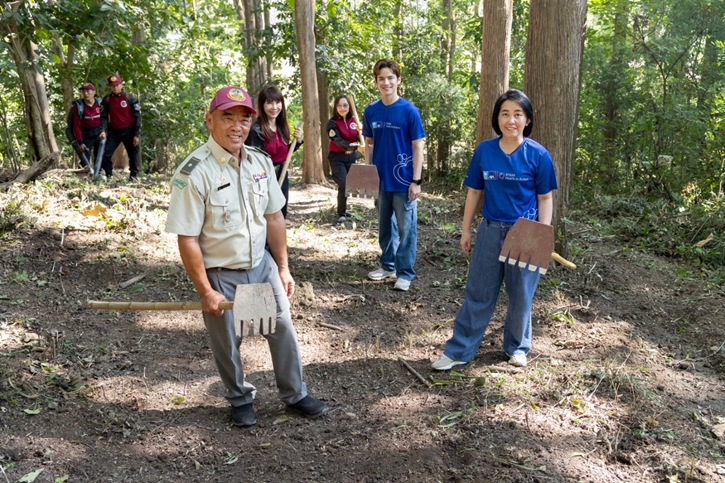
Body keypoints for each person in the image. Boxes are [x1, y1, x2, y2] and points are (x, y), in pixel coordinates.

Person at [165, 85, 328, 427]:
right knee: (228, 341)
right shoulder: (194, 172)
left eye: (243, 119)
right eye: (228, 118)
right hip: (221, 274)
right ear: (210, 121)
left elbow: (273, 218)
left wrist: (283, 268)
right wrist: (205, 290)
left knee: (280, 327)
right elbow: (188, 239)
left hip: (260, 266)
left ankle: (294, 394)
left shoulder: (259, 162)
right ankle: (240, 398)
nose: (237, 126)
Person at [432, 89, 558, 371]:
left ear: (527, 120)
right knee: (479, 291)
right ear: (497, 118)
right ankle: (459, 350)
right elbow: (474, 192)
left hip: (525, 232)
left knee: (521, 293)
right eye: (505, 114)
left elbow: (545, 198)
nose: (510, 120)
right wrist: (466, 230)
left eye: (517, 114)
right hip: (490, 230)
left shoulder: (538, 155)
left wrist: (542, 236)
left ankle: (517, 348)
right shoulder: (484, 151)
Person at [362, 59, 425, 292]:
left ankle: (405, 272)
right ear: (376, 81)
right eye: (381, 78)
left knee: (407, 228)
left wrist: (416, 181)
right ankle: (387, 266)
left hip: (404, 181)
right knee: (385, 227)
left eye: (390, 77)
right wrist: (367, 173)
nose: (386, 82)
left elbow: (418, 146)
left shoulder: (409, 111)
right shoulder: (371, 110)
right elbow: (369, 144)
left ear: (398, 80)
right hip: (380, 180)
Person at [245, 86, 303, 218]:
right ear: (262, 105)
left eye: (277, 102)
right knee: (267, 215)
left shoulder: (282, 127)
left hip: (282, 172)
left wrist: (298, 141)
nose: (274, 107)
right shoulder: (256, 130)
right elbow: (255, 159)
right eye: (269, 102)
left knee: (281, 213)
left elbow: (284, 153)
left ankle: (278, 239)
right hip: (264, 177)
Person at [99, 74, 141, 181]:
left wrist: (136, 134)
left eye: (117, 85)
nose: (115, 87)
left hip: (129, 131)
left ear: (121, 85)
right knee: (105, 153)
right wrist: (103, 130)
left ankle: (133, 176)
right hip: (114, 132)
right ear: (110, 87)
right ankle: (109, 175)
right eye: (113, 86)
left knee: (133, 154)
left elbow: (138, 117)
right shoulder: (107, 100)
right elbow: (103, 117)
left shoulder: (129, 98)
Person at [327, 94, 362, 223]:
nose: (342, 108)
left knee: (347, 186)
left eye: (345, 105)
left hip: (351, 158)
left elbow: (361, 139)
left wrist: (362, 132)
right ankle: (341, 214)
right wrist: (355, 146)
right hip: (337, 157)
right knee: (343, 183)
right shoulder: (332, 123)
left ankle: (343, 211)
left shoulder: (355, 122)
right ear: (335, 107)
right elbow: (337, 140)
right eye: (339, 105)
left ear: (350, 107)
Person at [65, 82, 102, 170]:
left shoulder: (100, 103)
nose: (85, 93)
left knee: (100, 156)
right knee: (85, 158)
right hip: (86, 134)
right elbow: (76, 125)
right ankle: (83, 176)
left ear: (94, 92)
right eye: (83, 91)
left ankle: (98, 176)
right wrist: (80, 142)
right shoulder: (78, 107)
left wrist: (104, 131)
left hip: (99, 132)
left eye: (88, 91)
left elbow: (105, 119)